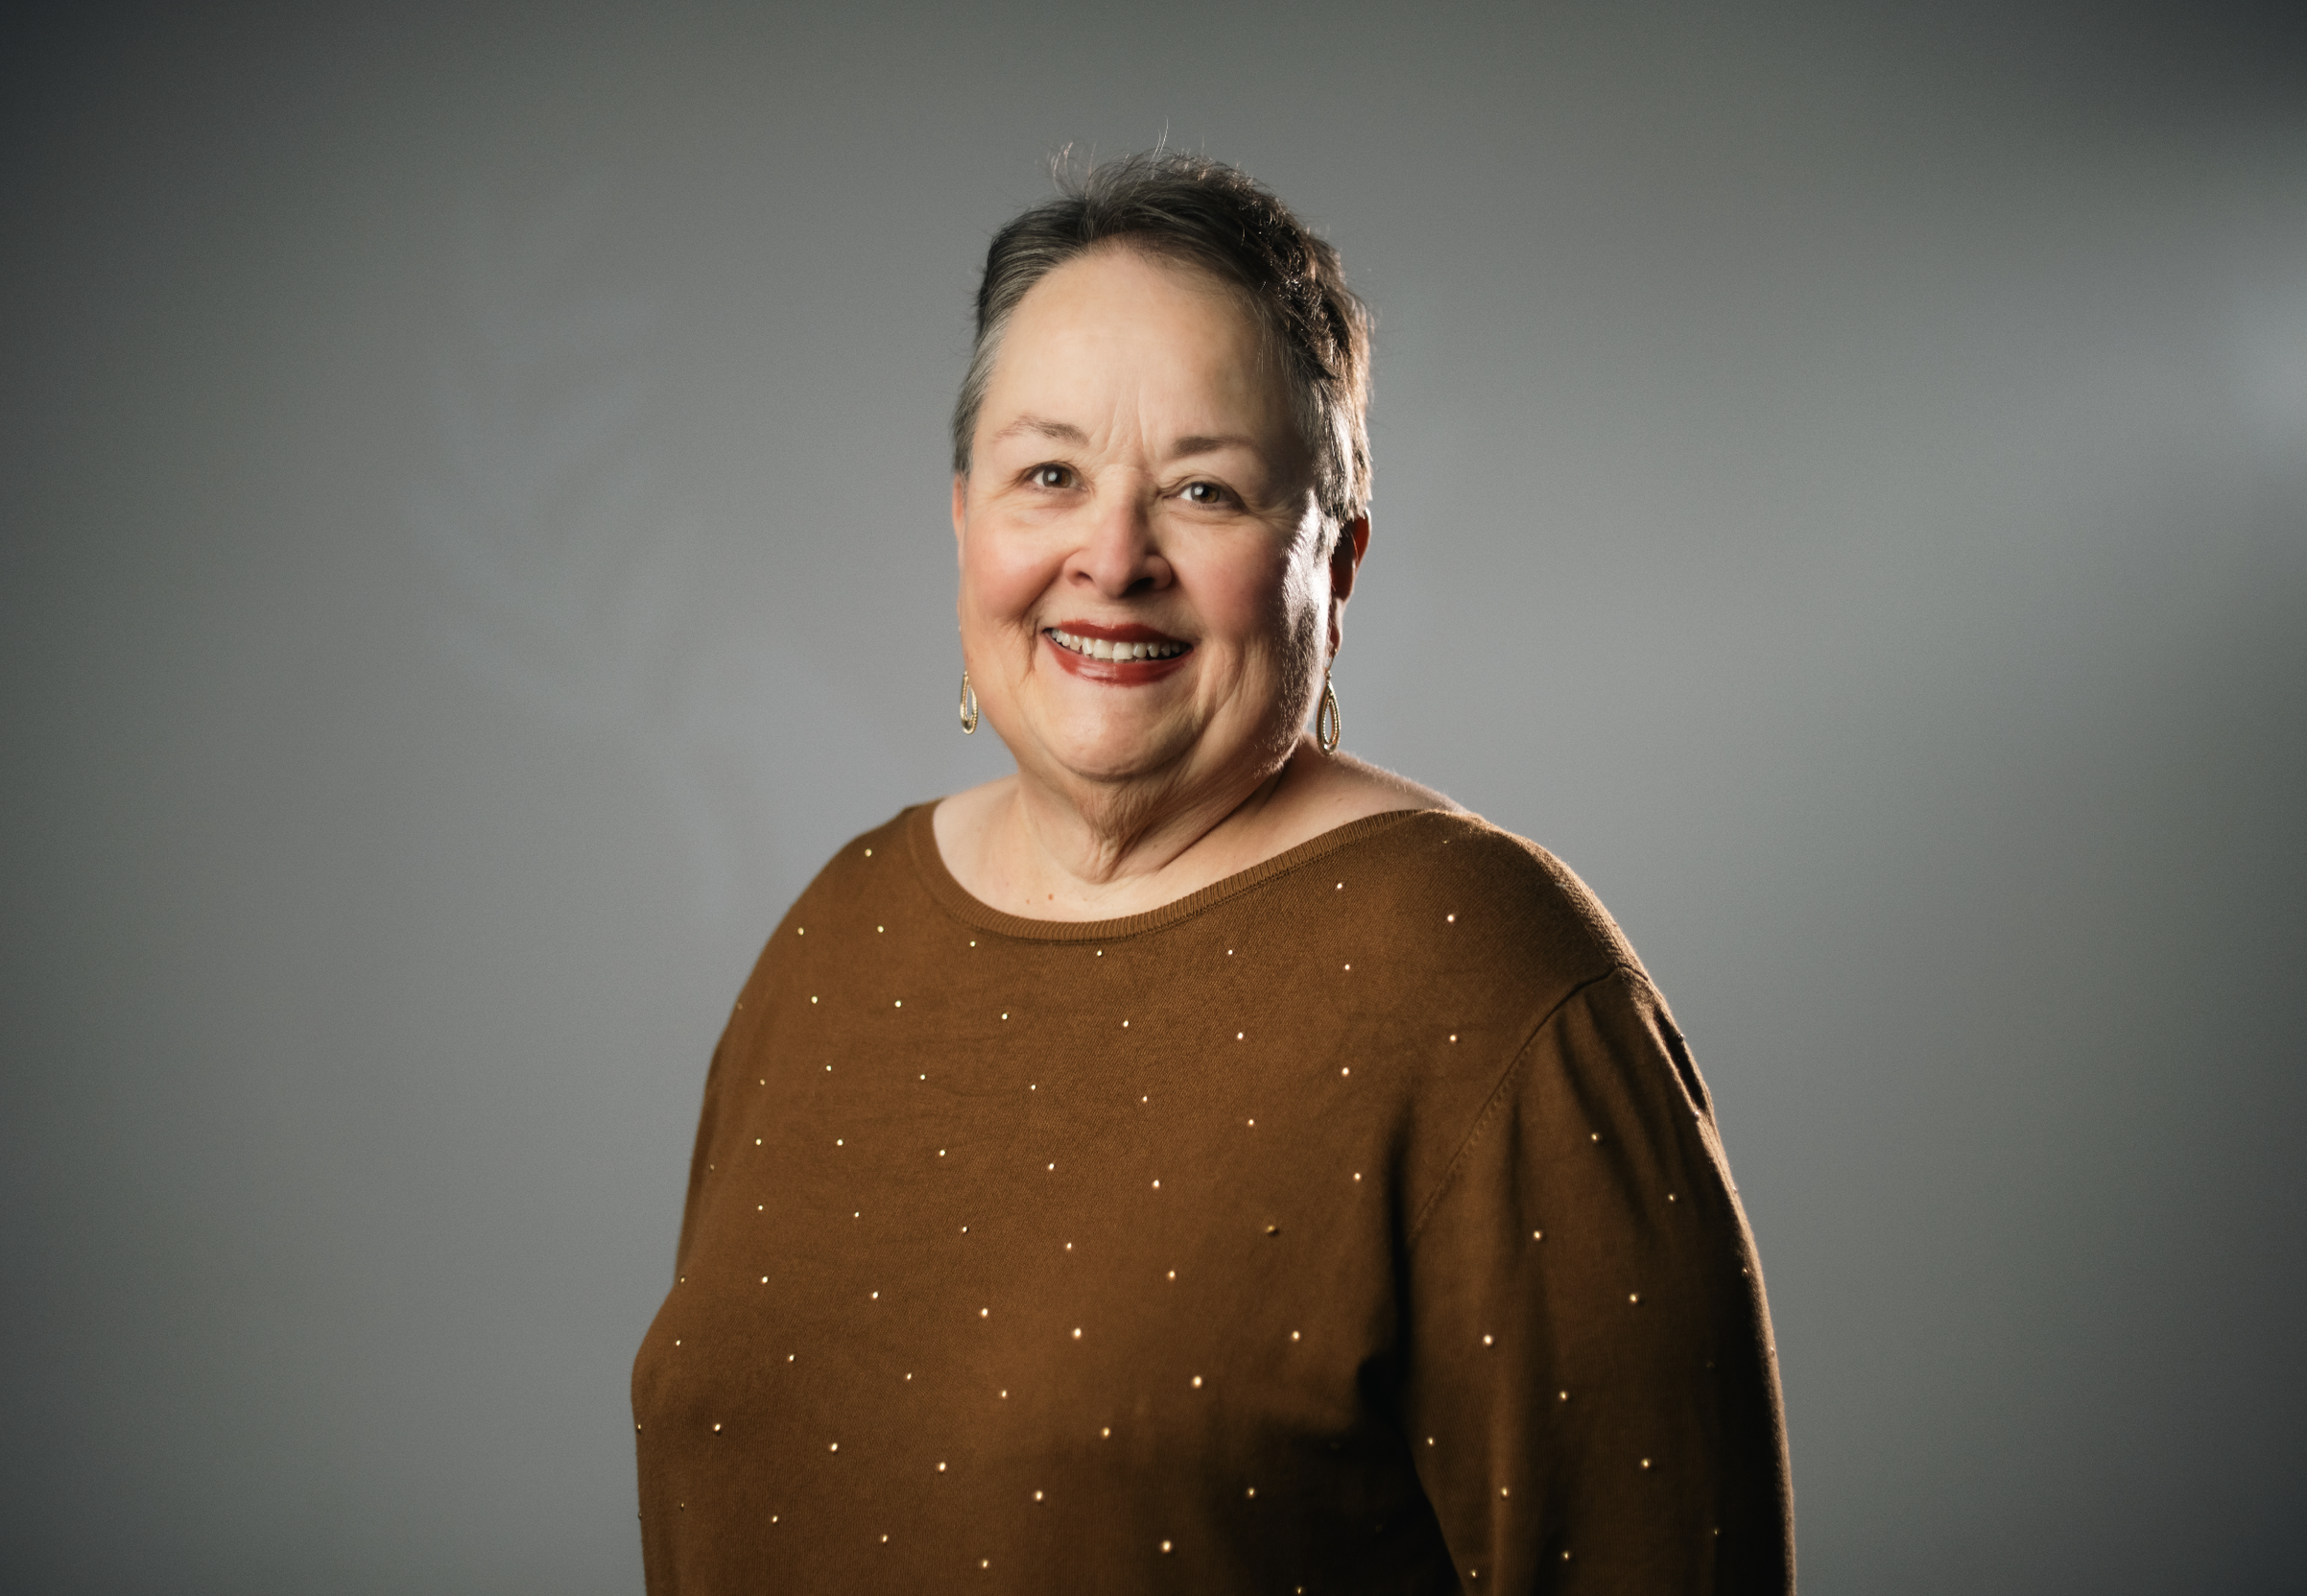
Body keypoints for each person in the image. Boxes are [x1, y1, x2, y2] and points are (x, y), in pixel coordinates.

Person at [631, 151, 1793, 1593]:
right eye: (1049, 475)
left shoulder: (1497, 985)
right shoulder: (837, 932)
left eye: (1205, 489)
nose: (1113, 557)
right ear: (964, 521)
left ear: (1337, 562)